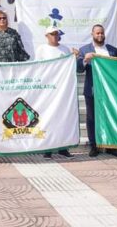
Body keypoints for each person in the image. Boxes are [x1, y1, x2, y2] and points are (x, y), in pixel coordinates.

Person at [76, 25, 117, 158]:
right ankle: (94, 145)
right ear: (92, 34)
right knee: (92, 118)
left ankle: (111, 145)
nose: (100, 35)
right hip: (92, 90)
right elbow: (79, 69)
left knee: (111, 116)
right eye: (97, 33)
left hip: (110, 91)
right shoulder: (84, 50)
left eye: (102, 33)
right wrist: (85, 60)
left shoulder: (112, 50)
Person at [36, 26, 75, 159]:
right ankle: (48, 149)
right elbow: (38, 68)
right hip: (48, 89)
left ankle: (63, 148)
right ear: (46, 36)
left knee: (63, 117)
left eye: (56, 34)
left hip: (62, 88)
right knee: (48, 117)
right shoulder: (41, 49)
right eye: (52, 34)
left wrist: (74, 56)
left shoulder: (65, 49)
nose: (55, 36)